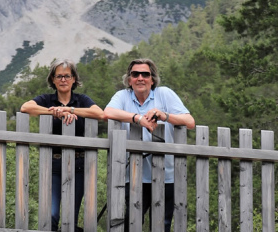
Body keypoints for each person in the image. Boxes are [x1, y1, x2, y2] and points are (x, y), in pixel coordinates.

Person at [103, 58, 195, 232]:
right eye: (135, 74)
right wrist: (137, 118)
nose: (140, 78)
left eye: (145, 74)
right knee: (130, 223)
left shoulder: (164, 94)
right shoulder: (123, 96)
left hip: (166, 174)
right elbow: (107, 113)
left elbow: (189, 121)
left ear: (152, 79)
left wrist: (164, 116)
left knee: (162, 225)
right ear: (129, 79)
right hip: (133, 175)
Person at [20, 59, 104, 232]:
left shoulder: (81, 100)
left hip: (79, 165)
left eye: (67, 76)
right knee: (51, 214)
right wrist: (54, 111)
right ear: (53, 79)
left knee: (70, 217)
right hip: (53, 165)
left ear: (74, 79)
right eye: (59, 76)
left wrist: (70, 110)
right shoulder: (47, 99)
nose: (63, 80)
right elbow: (26, 107)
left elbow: (99, 113)